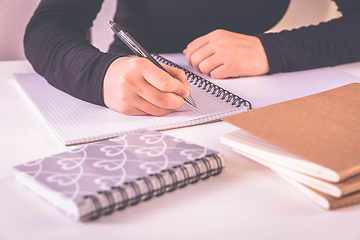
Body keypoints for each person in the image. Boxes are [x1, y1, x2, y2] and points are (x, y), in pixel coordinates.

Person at [24, 0, 360, 116]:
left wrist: (272, 50)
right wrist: (100, 76)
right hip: (134, 84)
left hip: (266, 92)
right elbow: (50, 24)